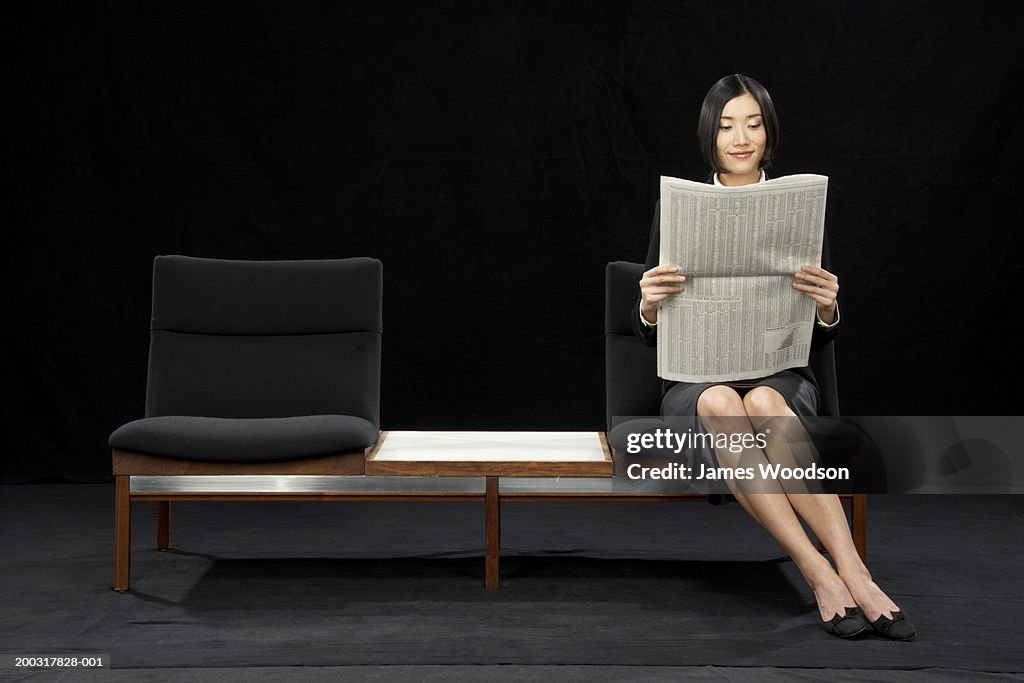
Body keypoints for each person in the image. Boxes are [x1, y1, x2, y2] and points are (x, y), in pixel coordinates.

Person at [632, 74, 914, 640]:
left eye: (754, 124)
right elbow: (650, 336)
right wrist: (648, 304)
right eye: (727, 124)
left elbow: (820, 333)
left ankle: (855, 573)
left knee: (760, 399)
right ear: (710, 134)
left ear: (769, 132)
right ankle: (820, 574)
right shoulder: (677, 208)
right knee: (719, 403)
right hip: (696, 381)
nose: (741, 137)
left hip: (778, 375)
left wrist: (829, 308)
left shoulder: (798, 207)